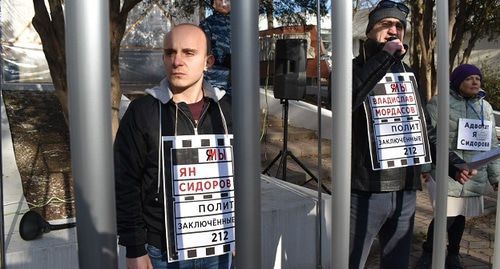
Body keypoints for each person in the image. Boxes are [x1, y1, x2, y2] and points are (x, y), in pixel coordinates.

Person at [349, 1, 475, 268]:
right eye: (386, 25)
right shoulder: (351, 69)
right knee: (351, 261)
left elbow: (422, 127)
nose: (394, 30)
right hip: (365, 191)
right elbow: (347, 99)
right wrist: (384, 57)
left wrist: (452, 164)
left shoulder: (407, 74)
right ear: (370, 31)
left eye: (399, 26)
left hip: (406, 188)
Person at [114, 23, 233, 269]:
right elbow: (125, 182)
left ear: (207, 61)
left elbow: (240, 179)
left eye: (188, 52)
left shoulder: (228, 111)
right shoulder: (142, 112)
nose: (176, 61)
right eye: (170, 52)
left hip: (219, 248)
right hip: (162, 252)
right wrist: (135, 248)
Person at [416, 64, 500, 269]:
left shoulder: (485, 108)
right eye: (469, 78)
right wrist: (425, 167)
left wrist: (495, 177)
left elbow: (492, 145)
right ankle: (430, 252)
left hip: (473, 172)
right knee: (446, 214)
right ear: (457, 81)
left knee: (460, 213)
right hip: (445, 170)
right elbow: (425, 135)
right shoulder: (439, 103)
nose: (475, 82)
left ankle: (453, 253)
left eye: (477, 79)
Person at [200, 0, 231, 93]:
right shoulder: (206, 24)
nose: (224, 2)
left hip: (243, 80)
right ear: (213, 3)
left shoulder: (243, 23)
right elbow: (202, 64)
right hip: (217, 85)